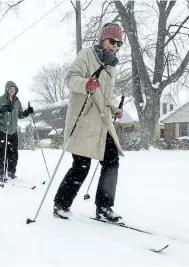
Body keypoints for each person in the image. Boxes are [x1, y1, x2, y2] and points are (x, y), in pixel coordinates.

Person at [53, 23, 125, 223]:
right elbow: (70, 79)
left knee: (111, 162)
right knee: (82, 165)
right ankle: (61, 205)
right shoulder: (86, 55)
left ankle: (104, 207)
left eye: (118, 43)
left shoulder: (112, 67)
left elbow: (104, 96)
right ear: (103, 39)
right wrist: (85, 83)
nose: (114, 46)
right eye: (112, 41)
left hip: (102, 123)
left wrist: (115, 109)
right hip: (84, 120)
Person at [0, 81, 34, 182]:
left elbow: (20, 115)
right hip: (2, 131)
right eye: (10, 88)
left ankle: (11, 173)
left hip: (13, 132)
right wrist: (3, 109)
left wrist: (27, 112)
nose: (12, 90)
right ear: (7, 89)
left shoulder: (17, 101)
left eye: (14, 89)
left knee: (13, 154)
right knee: (2, 154)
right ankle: (1, 174)